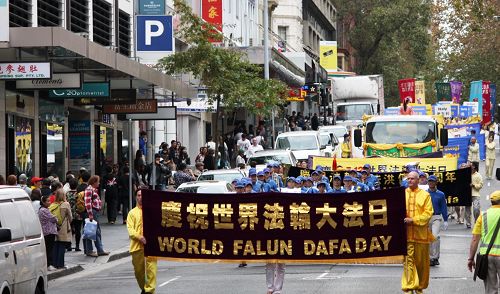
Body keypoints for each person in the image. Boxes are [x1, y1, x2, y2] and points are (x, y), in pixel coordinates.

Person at [402, 171, 434, 294]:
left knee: (421, 264)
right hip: (406, 236)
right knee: (408, 261)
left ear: (418, 180)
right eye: (408, 179)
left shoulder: (425, 195)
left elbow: (428, 213)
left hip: (421, 235)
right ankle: (409, 287)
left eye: (412, 179)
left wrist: (414, 220)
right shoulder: (402, 194)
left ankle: (419, 287)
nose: (410, 181)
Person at [468, 190, 500, 294]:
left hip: (487, 256)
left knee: (491, 289)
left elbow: (475, 239)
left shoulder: (483, 215)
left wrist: (471, 258)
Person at [127, 189, 158, 294]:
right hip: (137, 246)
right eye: (139, 195)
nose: (141, 197)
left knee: (151, 270)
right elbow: (130, 229)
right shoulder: (132, 213)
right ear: (136, 197)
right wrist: (139, 237)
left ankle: (150, 291)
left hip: (151, 246)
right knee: (139, 272)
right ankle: (144, 289)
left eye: (142, 195)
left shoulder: (152, 211)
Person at [83, 175, 109, 257]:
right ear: (94, 182)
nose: (99, 183)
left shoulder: (92, 190)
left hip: (94, 212)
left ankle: (95, 249)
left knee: (93, 231)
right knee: (93, 231)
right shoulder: (89, 189)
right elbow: (87, 203)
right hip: (92, 212)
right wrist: (90, 214)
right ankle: (94, 250)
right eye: (98, 181)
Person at [427, 175, 448, 266]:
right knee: (428, 239)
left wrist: (446, 219)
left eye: (433, 181)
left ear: (436, 182)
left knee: (434, 237)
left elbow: (443, 207)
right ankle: (429, 257)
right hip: (426, 217)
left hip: (436, 217)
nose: (431, 183)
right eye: (429, 181)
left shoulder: (441, 194)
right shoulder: (424, 193)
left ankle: (434, 257)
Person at [53, 189, 72, 269]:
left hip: (54, 227)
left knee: (56, 245)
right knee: (62, 245)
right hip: (63, 227)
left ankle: (54, 263)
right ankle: (60, 264)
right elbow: (70, 217)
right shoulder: (66, 204)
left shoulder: (53, 204)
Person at [38, 195, 58, 271]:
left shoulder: (43, 209)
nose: (49, 202)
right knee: (49, 249)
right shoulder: (44, 210)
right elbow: (53, 218)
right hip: (48, 232)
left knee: (48, 248)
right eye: (48, 201)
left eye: (50, 201)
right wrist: (55, 217)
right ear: (43, 202)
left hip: (47, 232)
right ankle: (48, 265)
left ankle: (48, 264)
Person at [465, 161, 483, 229]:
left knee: (476, 208)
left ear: (474, 166)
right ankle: (468, 222)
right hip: (467, 194)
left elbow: (480, 185)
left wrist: (474, 185)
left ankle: (476, 221)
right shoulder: (466, 174)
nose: (469, 166)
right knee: (467, 209)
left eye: (471, 165)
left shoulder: (478, 175)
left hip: (475, 194)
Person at [66, 178, 82, 251]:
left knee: (69, 229)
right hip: (78, 214)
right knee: (78, 230)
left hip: (69, 214)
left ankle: (69, 245)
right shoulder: (79, 194)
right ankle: (77, 246)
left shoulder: (67, 194)